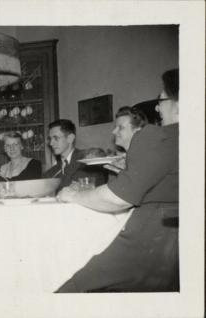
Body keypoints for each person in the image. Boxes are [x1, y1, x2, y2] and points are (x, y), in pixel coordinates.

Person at [55, 68, 179, 292]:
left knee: (67, 286)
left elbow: (117, 199)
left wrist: (73, 195)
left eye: (161, 100)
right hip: (174, 256)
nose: (158, 107)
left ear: (180, 103)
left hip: (144, 248)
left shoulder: (156, 135)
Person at [42, 119, 106, 193]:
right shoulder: (50, 173)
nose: (51, 143)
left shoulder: (88, 162)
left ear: (70, 138)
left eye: (56, 138)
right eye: (50, 139)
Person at [103, 106, 148, 174]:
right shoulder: (122, 161)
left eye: (121, 127)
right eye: (115, 127)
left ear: (137, 131)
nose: (114, 131)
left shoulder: (146, 159)